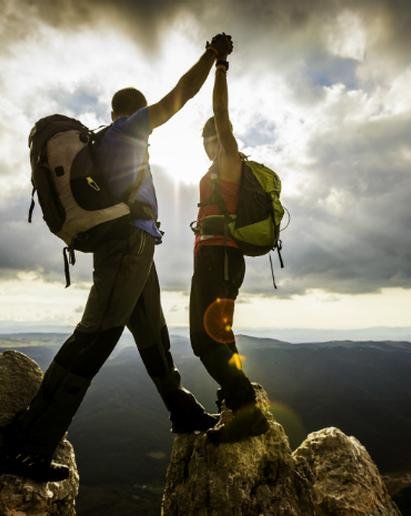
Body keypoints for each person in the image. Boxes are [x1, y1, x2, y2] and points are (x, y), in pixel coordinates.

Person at [1, 33, 235, 482]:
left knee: (154, 339)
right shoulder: (129, 129)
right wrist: (212, 57)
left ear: (110, 111)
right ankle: (30, 446)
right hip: (128, 246)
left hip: (135, 247)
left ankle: (182, 412)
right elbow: (180, 96)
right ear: (132, 111)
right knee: (94, 339)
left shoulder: (104, 139)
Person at [190, 46, 269, 444]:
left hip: (220, 256)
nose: (211, 144)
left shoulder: (230, 160)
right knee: (218, 336)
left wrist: (219, 68)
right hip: (211, 257)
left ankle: (245, 412)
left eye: (213, 138)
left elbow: (222, 115)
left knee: (202, 341)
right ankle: (240, 402)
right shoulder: (213, 171)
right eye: (206, 140)